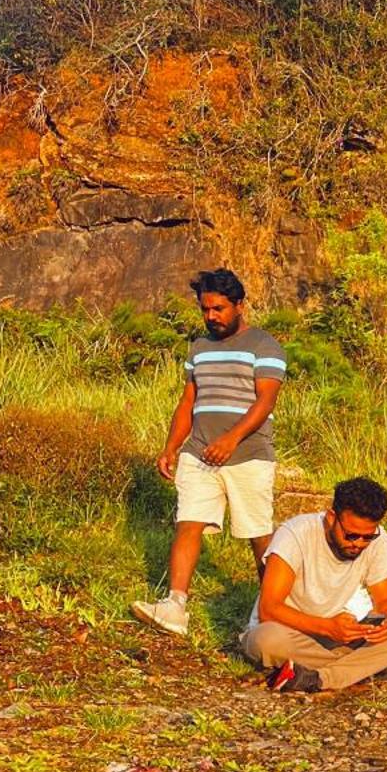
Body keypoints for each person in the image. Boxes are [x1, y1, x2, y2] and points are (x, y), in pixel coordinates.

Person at [132, 269, 287, 638]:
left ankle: (269, 612)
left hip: (249, 455)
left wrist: (232, 439)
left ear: (239, 305)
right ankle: (175, 606)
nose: (211, 316)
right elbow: (188, 401)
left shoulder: (265, 345)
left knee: (259, 534)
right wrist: (171, 447)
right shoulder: (199, 348)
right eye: (205, 309)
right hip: (199, 452)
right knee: (189, 522)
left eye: (219, 308)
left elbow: (266, 400)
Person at [241, 476, 387, 695]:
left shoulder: (378, 540)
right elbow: (269, 610)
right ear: (332, 518)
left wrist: (384, 623)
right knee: (266, 640)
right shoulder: (295, 534)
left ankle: (319, 679)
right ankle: (373, 667)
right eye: (351, 535)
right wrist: (326, 627)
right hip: (290, 634)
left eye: (366, 537)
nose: (358, 543)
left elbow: (386, 600)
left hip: (338, 639)